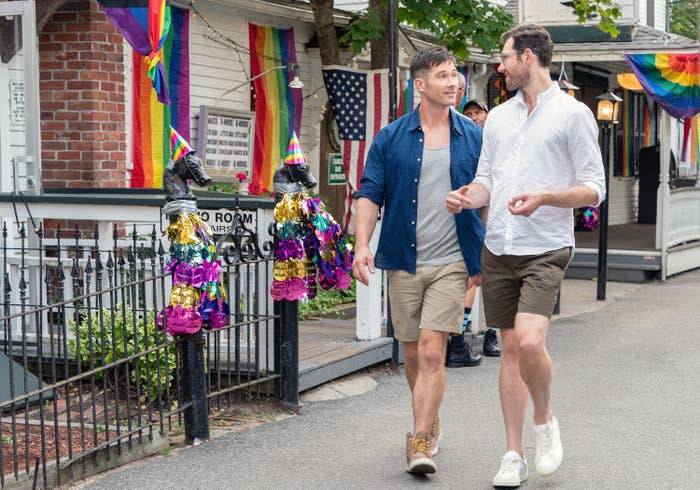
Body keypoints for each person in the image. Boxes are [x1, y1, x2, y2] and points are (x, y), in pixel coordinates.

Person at [446, 24, 605, 487]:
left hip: (546, 245)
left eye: (505, 56)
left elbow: (593, 188)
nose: (500, 65)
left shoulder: (573, 115)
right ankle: (513, 453)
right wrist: (466, 196)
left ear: (529, 58)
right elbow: (488, 182)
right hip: (499, 245)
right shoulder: (497, 118)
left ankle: (545, 421)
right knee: (511, 348)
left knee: (531, 340)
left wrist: (545, 197)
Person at [353, 46, 484, 475]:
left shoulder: (474, 136)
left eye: (455, 75)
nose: (454, 83)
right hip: (404, 260)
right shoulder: (390, 137)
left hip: (453, 261)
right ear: (421, 84)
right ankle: (430, 420)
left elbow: (491, 191)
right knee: (411, 353)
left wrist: (482, 241)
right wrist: (362, 245)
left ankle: (419, 439)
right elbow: (371, 193)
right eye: (443, 76)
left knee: (432, 350)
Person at [444, 73, 484, 368]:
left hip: (473, 214)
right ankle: (456, 341)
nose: (454, 93)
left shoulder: (474, 134)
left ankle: (467, 337)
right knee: (468, 279)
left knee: (473, 278)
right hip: (452, 219)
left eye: (457, 88)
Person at [461, 98, 502, 359]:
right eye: (469, 113)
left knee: (489, 269)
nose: (474, 117)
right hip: (466, 202)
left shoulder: (495, 138)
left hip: (490, 204)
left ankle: (490, 331)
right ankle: (460, 331)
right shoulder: (462, 137)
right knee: (468, 269)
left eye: (478, 113)